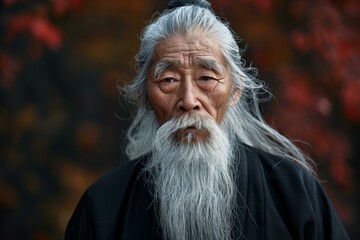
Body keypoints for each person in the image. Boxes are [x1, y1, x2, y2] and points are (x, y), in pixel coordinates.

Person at [65, 0, 349, 239]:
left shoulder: (293, 193)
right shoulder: (104, 207)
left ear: (235, 91)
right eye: (168, 79)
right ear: (145, 97)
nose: (189, 100)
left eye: (207, 78)